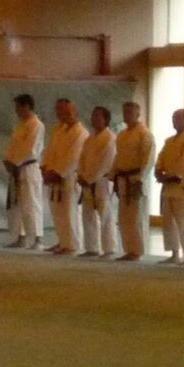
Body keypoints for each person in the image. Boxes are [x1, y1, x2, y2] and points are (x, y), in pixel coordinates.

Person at [40, 98, 85, 257]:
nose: (63, 115)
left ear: (75, 112)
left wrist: (58, 172)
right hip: (54, 174)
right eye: (59, 111)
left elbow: (74, 157)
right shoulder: (57, 130)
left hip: (69, 176)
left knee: (69, 211)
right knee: (57, 211)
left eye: (67, 112)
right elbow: (49, 151)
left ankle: (72, 244)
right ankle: (63, 240)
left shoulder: (80, 132)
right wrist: (45, 168)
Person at [109, 101, 153, 261]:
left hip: (136, 179)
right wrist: (112, 174)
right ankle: (129, 249)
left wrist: (140, 179)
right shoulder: (122, 134)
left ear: (137, 114)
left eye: (130, 112)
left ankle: (138, 251)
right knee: (124, 216)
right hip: (123, 178)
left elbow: (148, 159)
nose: (126, 115)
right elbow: (118, 157)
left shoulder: (144, 133)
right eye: (125, 112)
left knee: (136, 216)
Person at [3, 95, 46, 250]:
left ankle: (37, 238)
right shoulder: (20, 125)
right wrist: (7, 160)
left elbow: (30, 148)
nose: (16, 111)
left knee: (32, 203)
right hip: (17, 168)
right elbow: (13, 146)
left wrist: (15, 163)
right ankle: (20, 237)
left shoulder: (36, 124)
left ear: (27, 106)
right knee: (19, 204)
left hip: (29, 167)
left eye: (18, 107)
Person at [76, 102, 117, 259]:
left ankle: (109, 248)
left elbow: (107, 162)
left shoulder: (110, 138)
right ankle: (91, 247)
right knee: (87, 214)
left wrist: (91, 178)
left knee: (105, 215)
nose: (94, 119)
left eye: (97, 116)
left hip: (102, 181)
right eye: (93, 116)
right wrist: (81, 175)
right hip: (87, 181)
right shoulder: (90, 138)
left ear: (106, 119)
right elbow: (82, 158)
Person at [153, 107, 184, 264]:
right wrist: (158, 171)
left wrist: (173, 175)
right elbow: (160, 158)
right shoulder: (169, 141)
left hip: (180, 185)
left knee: (183, 221)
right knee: (168, 220)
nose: (174, 121)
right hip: (167, 185)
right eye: (173, 118)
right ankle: (174, 253)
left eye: (178, 118)